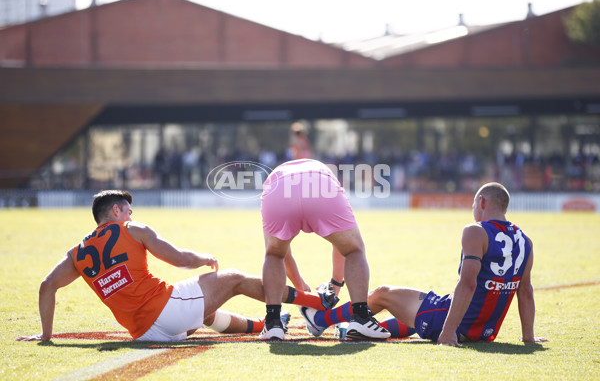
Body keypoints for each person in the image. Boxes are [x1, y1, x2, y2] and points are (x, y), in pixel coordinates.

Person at [16, 190, 335, 343]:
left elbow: (47, 286)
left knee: (205, 310)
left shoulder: (78, 252)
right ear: (116, 210)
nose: (131, 213)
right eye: (128, 209)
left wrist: (45, 336)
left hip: (143, 333)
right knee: (234, 278)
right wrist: (204, 260)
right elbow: (179, 259)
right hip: (164, 312)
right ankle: (316, 304)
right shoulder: (131, 228)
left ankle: (264, 323)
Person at [302, 182, 548, 345]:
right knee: (418, 313)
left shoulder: (476, 231)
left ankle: (320, 321)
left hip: (455, 324)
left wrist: (449, 331)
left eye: (474, 205)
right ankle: (350, 330)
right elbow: (525, 292)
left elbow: (468, 284)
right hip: (484, 331)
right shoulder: (526, 241)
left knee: (381, 294)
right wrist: (529, 338)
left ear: (482, 202)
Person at [259, 158, 391, 341]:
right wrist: (335, 285)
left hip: (278, 186)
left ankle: (273, 323)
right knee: (354, 249)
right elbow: (343, 247)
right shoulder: (328, 174)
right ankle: (360, 317)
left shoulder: (281, 171)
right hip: (320, 181)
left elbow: (281, 254)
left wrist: (301, 288)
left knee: (273, 254)